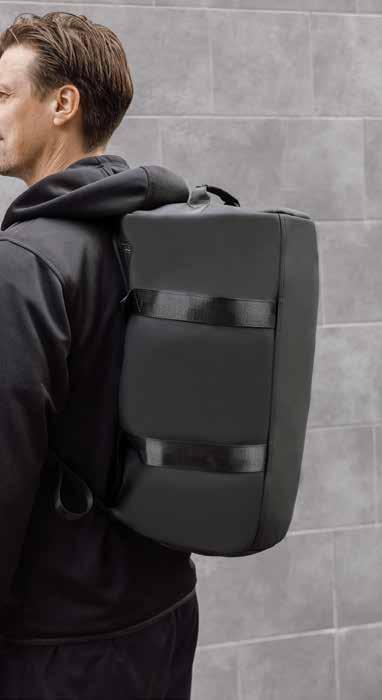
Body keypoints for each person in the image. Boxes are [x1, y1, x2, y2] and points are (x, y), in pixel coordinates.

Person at [0, 11, 199, 699]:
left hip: (56, 644)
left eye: (3, 93)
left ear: (63, 103)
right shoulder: (161, 237)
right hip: (163, 614)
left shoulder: (23, 262)